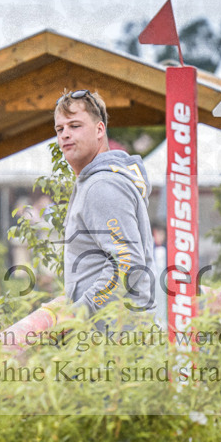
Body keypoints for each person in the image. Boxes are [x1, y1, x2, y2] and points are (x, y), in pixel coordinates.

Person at [54, 89, 156, 315]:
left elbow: (128, 263)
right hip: (116, 334)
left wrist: (78, 312)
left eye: (75, 125)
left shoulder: (102, 185)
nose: (65, 135)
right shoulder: (100, 181)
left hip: (114, 339)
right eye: (60, 129)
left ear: (100, 129)